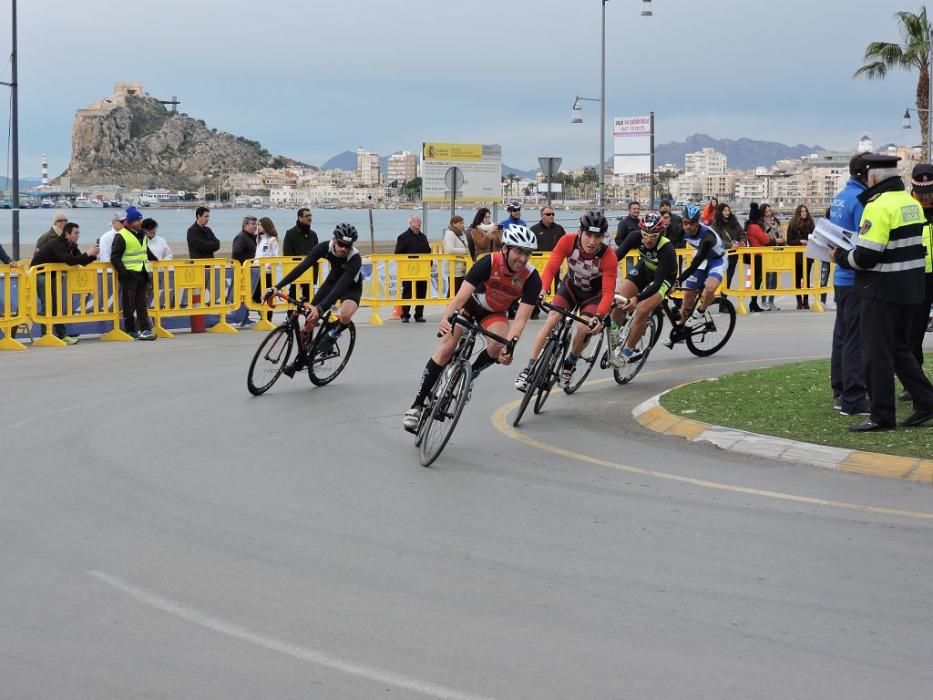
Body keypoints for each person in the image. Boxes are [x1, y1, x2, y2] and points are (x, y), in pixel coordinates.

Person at [402, 226, 542, 432]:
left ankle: (471, 374)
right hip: (470, 305)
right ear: (505, 249)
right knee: (445, 349)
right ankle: (416, 406)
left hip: (494, 313)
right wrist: (445, 319)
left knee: (497, 345)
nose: (523, 258)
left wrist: (510, 346)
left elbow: (520, 320)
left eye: (527, 253)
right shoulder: (489, 262)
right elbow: (459, 298)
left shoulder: (531, 278)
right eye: (519, 251)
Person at [832, 153, 933, 431]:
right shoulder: (908, 203)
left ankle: (881, 416)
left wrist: (840, 256)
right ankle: (926, 401)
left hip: (881, 291)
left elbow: (866, 256)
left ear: (873, 176)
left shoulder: (877, 207)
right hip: (910, 289)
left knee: (876, 354)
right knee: (900, 350)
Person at [514, 211, 616, 391]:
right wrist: (542, 290)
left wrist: (598, 316)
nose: (592, 241)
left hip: (593, 295)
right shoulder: (567, 241)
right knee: (552, 318)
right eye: (589, 235)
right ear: (580, 233)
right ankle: (529, 368)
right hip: (571, 287)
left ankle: (570, 363)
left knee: (584, 327)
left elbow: (608, 292)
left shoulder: (608, 256)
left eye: (597, 237)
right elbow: (551, 267)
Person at [265, 224, 365, 378]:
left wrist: (320, 308)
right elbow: (302, 267)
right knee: (309, 318)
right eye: (341, 244)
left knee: (345, 315)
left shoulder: (355, 258)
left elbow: (340, 288)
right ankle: (302, 359)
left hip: (350, 287)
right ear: (334, 240)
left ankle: (334, 334)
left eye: (348, 246)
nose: (344, 249)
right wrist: (277, 287)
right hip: (332, 282)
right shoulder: (325, 247)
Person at [828, 153, 870, 416]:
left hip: (841, 277)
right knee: (855, 337)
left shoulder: (841, 196)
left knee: (842, 335)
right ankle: (854, 398)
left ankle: (840, 389)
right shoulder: (861, 200)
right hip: (854, 276)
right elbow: (864, 241)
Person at [611, 211, 678, 363]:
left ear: (660, 234)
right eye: (645, 235)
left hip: (663, 278)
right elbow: (615, 258)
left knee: (642, 309)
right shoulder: (635, 236)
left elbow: (657, 283)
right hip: (645, 268)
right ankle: (617, 336)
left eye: (653, 236)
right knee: (619, 300)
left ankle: (628, 351)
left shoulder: (666, 249)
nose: (648, 240)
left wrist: (637, 298)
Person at [665, 203, 727, 347]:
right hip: (702, 259)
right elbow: (668, 248)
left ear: (698, 221)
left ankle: (700, 311)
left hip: (716, 260)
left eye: (692, 223)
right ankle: (679, 330)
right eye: (686, 223)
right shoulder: (681, 230)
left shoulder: (707, 236)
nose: (688, 227)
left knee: (709, 288)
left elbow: (694, 266)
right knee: (688, 297)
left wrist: (678, 281)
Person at [31, 222, 99, 344]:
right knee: (48, 304)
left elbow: (81, 261)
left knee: (57, 305)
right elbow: (69, 261)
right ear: (67, 234)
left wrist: (93, 255)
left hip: (53, 275)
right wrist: (87, 253)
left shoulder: (71, 245)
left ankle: (61, 335)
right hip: (39, 275)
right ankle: (46, 335)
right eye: (75, 233)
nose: (78, 235)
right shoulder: (57, 244)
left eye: (79, 233)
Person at [111, 206, 157, 340]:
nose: (140, 222)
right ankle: (131, 330)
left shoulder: (142, 234)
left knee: (141, 304)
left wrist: (155, 259)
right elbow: (115, 257)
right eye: (138, 220)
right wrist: (124, 273)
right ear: (130, 222)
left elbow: (145, 250)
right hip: (129, 275)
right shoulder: (121, 236)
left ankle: (145, 329)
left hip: (142, 273)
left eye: (140, 219)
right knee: (129, 305)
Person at [906, 163, 933, 388]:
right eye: (921, 193)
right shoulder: (907, 209)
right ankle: (914, 383)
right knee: (914, 332)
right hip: (917, 277)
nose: (925, 198)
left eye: (930, 193)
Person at [394, 215, 431, 322]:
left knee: (421, 292)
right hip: (408, 270)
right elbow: (398, 254)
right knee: (407, 292)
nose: (419, 223)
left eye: (420, 221)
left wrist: (430, 263)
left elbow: (428, 252)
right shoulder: (403, 237)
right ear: (410, 223)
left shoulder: (423, 237)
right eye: (416, 221)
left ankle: (419, 315)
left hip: (422, 269)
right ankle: (405, 315)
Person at [712, 202, 745, 305]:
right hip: (721, 256)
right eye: (725, 211)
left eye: (728, 210)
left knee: (728, 279)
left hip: (733, 256)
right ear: (720, 212)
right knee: (719, 279)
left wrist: (743, 241)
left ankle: (723, 302)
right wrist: (730, 245)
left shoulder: (734, 222)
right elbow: (716, 240)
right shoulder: (715, 225)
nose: (727, 213)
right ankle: (713, 300)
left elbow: (741, 233)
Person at [283, 208, 319, 299]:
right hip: (296, 272)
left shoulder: (313, 234)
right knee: (293, 300)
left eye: (310, 216)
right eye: (307, 216)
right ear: (300, 217)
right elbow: (287, 254)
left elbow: (318, 253)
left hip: (310, 272)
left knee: (309, 300)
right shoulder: (290, 233)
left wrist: (315, 275)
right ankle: (291, 313)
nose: (309, 218)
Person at [785, 204, 815, 309]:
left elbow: (815, 237)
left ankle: (806, 301)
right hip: (797, 256)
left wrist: (810, 240)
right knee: (797, 278)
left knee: (806, 278)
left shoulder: (811, 224)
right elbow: (789, 241)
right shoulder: (793, 224)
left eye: (805, 211)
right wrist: (800, 241)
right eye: (802, 211)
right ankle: (799, 301)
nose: (804, 213)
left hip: (808, 256)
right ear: (798, 212)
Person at [744, 202, 771, 312]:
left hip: (754, 255)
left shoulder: (749, 226)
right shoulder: (755, 227)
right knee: (757, 280)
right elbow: (766, 240)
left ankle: (753, 302)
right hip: (758, 255)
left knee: (756, 280)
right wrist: (767, 235)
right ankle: (753, 302)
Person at [759, 203, 786, 310]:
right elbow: (763, 238)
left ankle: (771, 301)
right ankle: (763, 301)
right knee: (767, 277)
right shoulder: (761, 223)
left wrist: (782, 238)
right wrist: (773, 240)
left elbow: (781, 233)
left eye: (769, 211)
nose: (768, 213)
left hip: (777, 251)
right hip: (767, 252)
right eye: (766, 211)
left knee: (774, 277)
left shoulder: (776, 222)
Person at [442, 215, 470, 293]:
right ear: (454, 224)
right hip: (453, 267)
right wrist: (465, 251)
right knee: (453, 290)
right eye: (460, 223)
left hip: (460, 266)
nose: (463, 225)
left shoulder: (461, 233)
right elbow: (449, 249)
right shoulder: (450, 233)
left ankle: (455, 305)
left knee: (457, 289)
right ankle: (450, 305)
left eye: (463, 223)